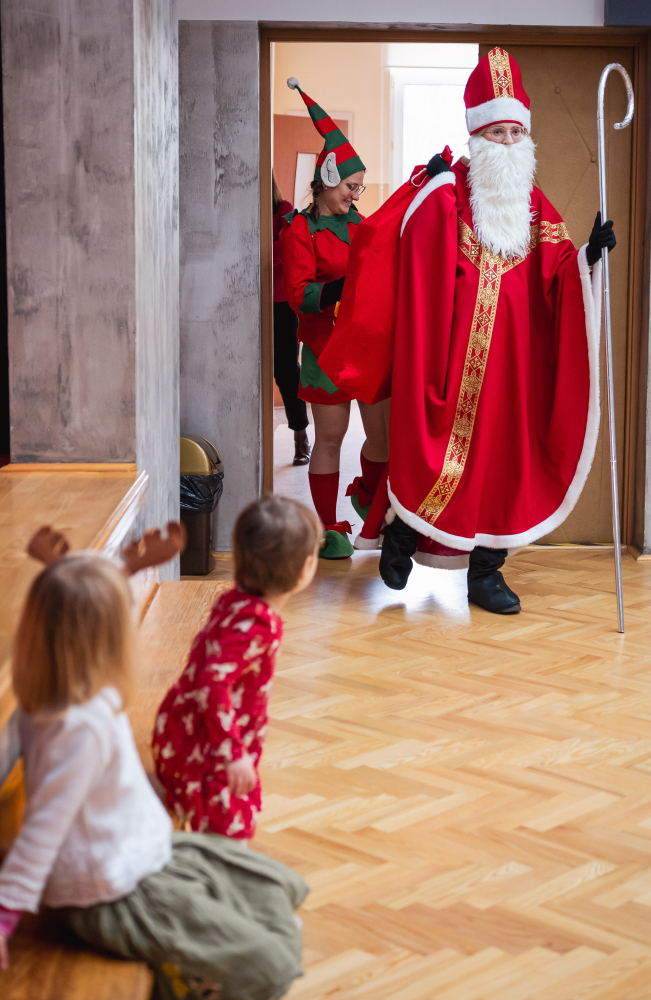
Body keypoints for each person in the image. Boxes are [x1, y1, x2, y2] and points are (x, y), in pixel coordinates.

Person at [323, 47, 614, 613]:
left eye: (515, 133)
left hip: (511, 369)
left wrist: (587, 257)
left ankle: (486, 573)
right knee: (433, 453)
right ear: (477, 136)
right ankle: (401, 535)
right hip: (448, 359)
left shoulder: (534, 206)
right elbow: (408, 254)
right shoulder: (449, 192)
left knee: (500, 468)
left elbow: (555, 271)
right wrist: (424, 195)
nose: (507, 143)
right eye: (496, 133)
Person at [0, 527, 308, 999]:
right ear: (107, 640)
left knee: (274, 888)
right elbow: (44, 829)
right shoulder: (80, 728)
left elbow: (79, 606)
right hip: (113, 892)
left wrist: (124, 568)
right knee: (272, 963)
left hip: (138, 850)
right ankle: (183, 983)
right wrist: (5, 916)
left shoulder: (63, 695)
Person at [153, 495, 321, 839]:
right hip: (207, 744)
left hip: (194, 727)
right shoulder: (257, 624)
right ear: (305, 569)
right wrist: (232, 754)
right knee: (230, 830)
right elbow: (212, 683)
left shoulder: (238, 599)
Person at [280, 78, 389, 560]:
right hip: (325, 351)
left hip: (364, 348)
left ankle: (366, 494)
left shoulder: (362, 225)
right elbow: (298, 295)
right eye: (350, 186)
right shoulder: (299, 230)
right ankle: (327, 528)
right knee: (329, 439)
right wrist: (340, 290)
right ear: (328, 178)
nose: (356, 194)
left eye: (359, 187)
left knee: (381, 440)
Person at [273, 171, 311, 466]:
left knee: (286, 371)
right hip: (251, 303)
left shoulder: (283, 209)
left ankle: (300, 436)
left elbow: (286, 250)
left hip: (282, 302)